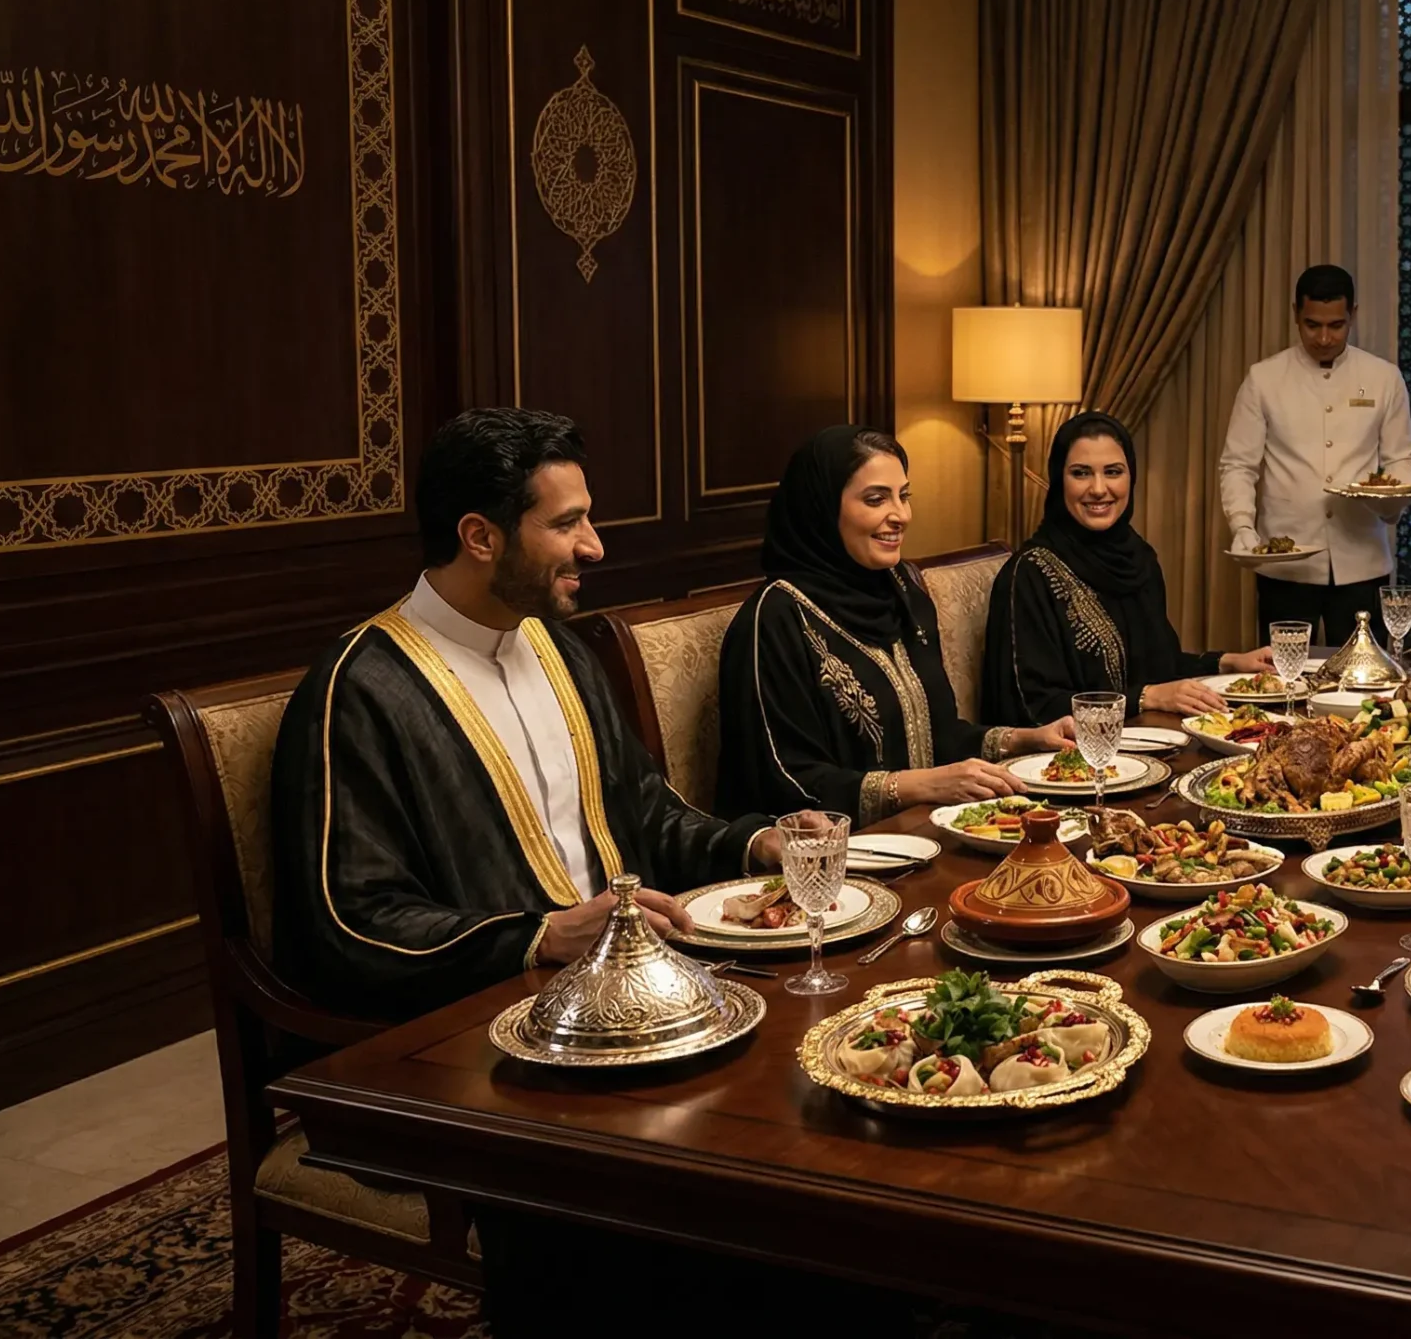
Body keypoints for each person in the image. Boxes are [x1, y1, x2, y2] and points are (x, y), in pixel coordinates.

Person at [270, 408, 808, 1023]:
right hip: (477, 1025)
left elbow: (646, 814)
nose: (594, 546)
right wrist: (543, 937)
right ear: (480, 537)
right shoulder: (362, 689)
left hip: (635, 988)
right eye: (566, 523)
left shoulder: (562, 650)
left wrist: (759, 842)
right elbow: (353, 922)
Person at [717, 425, 1074, 824]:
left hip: (927, 831)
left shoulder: (903, 590)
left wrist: (1025, 739)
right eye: (876, 499)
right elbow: (785, 780)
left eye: (904, 496)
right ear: (820, 507)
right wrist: (918, 787)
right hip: (832, 857)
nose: (900, 515)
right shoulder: (777, 617)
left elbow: (936, 734)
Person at [981, 411, 1273, 724]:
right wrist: (1146, 697)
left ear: (1130, 476)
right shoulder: (1030, 574)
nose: (1098, 488)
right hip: (1069, 762)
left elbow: (1160, 666)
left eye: (1113, 472)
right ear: (1058, 480)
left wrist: (1229, 663)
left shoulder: (1138, 558)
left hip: (1153, 741)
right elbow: (1032, 706)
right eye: (1080, 473)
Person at [1219, 264, 1411, 644]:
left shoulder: (1384, 377)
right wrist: (1243, 525)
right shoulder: (1264, 378)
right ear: (1296, 314)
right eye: (1313, 325)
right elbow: (1238, 465)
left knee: (1364, 679)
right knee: (1284, 678)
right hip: (1287, 568)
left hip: (1363, 562)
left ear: (1353, 316)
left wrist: (1392, 502)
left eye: (1337, 325)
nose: (1325, 337)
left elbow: (1401, 461)